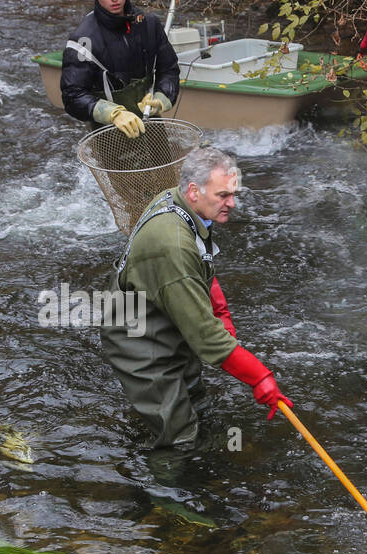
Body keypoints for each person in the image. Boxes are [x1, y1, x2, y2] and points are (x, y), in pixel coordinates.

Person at [102, 146, 292, 451]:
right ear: (194, 190)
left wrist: (222, 313)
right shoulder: (172, 244)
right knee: (179, 437)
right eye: (223, 196)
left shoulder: (180, 203)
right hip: (136, 335)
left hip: (161, 309)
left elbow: (201, 264)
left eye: (233, 194)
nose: (232, 203)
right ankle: (165, 494)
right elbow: (206, 338)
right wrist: (260, 378)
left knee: (196, 398)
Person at [61, 0, 180, 137]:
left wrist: (161, 99)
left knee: (162, 158)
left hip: (151, 125)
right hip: (109, 133)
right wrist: (112, 114)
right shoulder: (83, 39)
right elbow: (72, 96)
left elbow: (169, 70)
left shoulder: (149, 24)